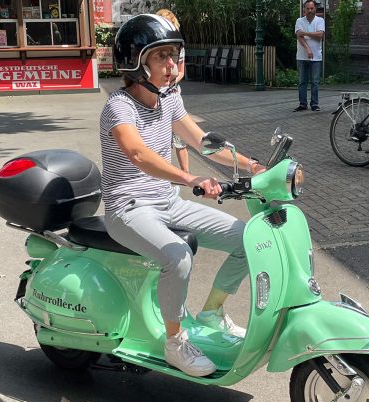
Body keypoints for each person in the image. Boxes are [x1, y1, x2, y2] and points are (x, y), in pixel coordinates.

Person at [101, 14, 266, 377]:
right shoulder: (119, 106)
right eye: (161, 57)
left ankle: (211, 312)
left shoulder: (169, 99)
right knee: (178, 259)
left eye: (173, 55)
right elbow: (139, 155)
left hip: (167, 202)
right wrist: (191, 178)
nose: (171, 65)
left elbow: (201, 142)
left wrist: (255, 167)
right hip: (127, 207)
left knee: (248, 239)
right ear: (135, 61)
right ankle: (175, 343)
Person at [155, 9, 190, 174]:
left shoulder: (179, 46)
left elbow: (181, 71)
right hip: (154, 94)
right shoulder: (151, 46)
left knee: (180, 138)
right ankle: (161, 172)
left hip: (172, 93)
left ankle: (186, 172)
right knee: (159, 138)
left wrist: (169, 82)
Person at [294, 0, 325, 112]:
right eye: (308, 9)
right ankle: (302, 104)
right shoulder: (299, 21)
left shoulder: (320, 20)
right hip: (302, 56)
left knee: (315, 82)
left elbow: (320, 35)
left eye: (312, 8)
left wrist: (305, 33)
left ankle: (315, 104)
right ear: (304, 10)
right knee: (302, 82)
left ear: (315, 9)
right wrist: (307, 49)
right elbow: (299, 36)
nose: (310, 11)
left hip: (316, 57)